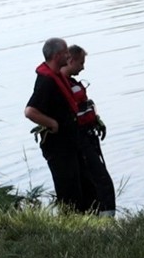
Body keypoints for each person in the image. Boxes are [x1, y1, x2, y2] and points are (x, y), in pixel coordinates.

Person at [25, 37, 95, 213]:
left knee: (82, 183)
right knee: (68, 187)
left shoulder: (57, 76)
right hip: (58, 146)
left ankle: (85, 219)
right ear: (57, 56)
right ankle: (71, 222)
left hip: (70, 141)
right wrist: (52, 124)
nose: (68, 55)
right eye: (65, 53)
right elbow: (30, 111)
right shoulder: (46, 81)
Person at [61, 45, 116, 216]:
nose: (83, 67)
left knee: (93, 180)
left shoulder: (69, 82)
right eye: (81, 63)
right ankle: (107, 218)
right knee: (102, 180)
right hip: (80, 139)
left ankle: (99, 216)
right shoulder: (61, 86)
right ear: (70, 60)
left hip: (87, 135)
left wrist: (95, 121)